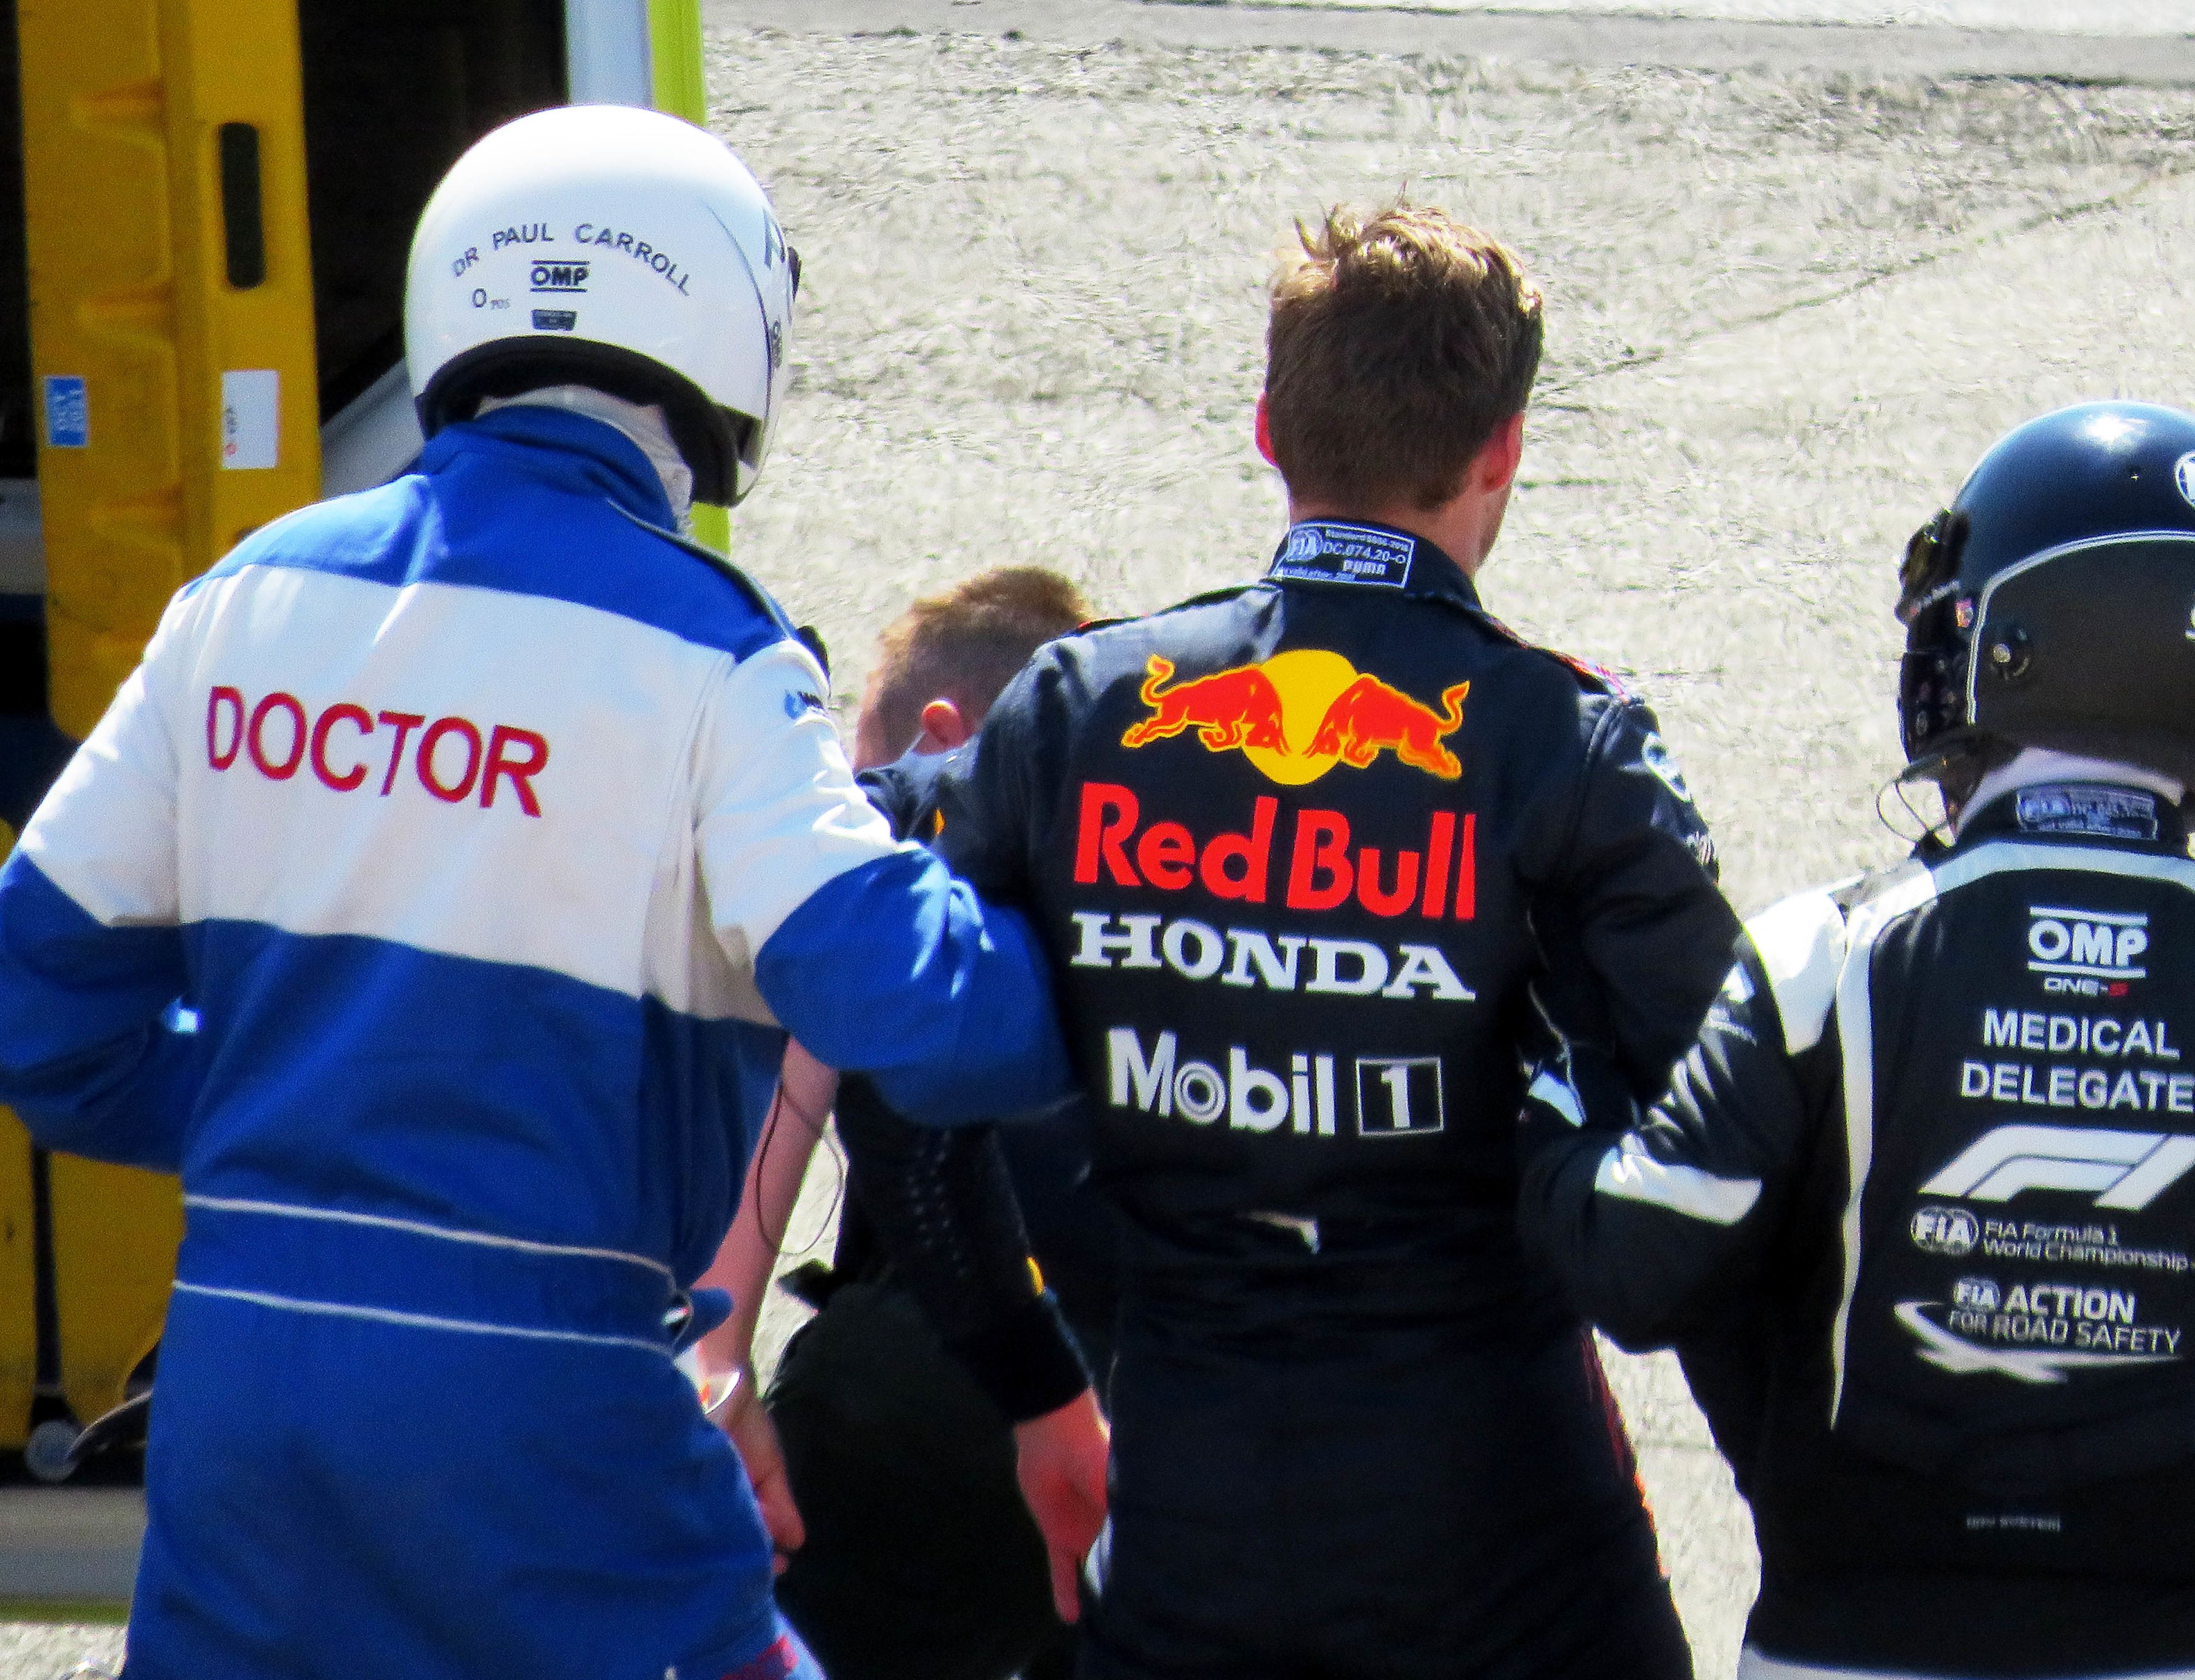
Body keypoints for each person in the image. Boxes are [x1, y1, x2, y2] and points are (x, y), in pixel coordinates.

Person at [0, 106, 1083, 1680]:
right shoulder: (710, 650)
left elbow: (39, 1016)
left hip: (243, 1397)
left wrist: (303, 1117)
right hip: (545, 1407)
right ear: (723, 336)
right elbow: (918, 1008)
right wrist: (1102, 941)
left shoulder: (243, 600)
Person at [923, 203, 1740, 1679]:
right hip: (1507, 1527)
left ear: (1265, 427)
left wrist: (1034, 1387)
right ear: (1501, 450)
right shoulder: (1561, 740)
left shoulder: (1074, 709)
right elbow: (1733, 1129)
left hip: (1184, 1513)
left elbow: (903, 1080)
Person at [1516, 400, 2195, 1680]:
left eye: (1954, 618)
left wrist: (1548, 1097)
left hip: (1846, 1648)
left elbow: (1633, 1263)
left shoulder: (1829, 953)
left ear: (2038, 638)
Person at [694, 565, 1120, 1680]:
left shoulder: (910, 837)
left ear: (938, 734)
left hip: (941, 1382)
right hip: (1168, 1386)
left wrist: (719, 1348)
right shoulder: (1154, 860)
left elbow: (802, 1068)